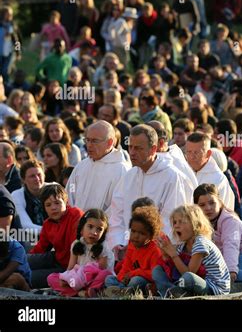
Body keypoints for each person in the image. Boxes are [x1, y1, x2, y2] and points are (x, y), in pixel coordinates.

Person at [107, 125, 193, 256]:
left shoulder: (171, 177)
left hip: (157, 253)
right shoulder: (129, 176)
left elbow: (172, 222)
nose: (132, 153)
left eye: (138, 148)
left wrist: (143, 247)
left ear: (153, 149)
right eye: (130, 147)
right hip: (126, 250)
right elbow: (116, 214)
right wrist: (119, 243)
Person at [152, 205, 230, 297]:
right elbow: (174, 269)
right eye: (175, 222)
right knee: (157, 270)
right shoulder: (182, 246)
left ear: (195, 224)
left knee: (188, 277)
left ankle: (175, 292)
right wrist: (165, 253)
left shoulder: (200, 243)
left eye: (181, 222)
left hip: (213, 288)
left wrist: (173, 254)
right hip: (191, 283)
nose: (176, 225)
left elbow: (189, 272)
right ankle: (169, 293)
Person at [66, 121, 131, 212]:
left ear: (109, 142)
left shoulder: (121, 170)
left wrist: (94, 223)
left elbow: (118, 206)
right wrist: (73, 214)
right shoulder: (82, 165)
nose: (89, 145)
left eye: (94, 141)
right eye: (87, 140)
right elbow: (71, 187)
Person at [27, 184, 84, 288]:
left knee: (29, 277)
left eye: (57, 203)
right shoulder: (47, 224)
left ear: (66, 202)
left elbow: (76, 248)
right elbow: (40, 248)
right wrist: (30, 257)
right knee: (21, 261)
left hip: (71, 266)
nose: (53, 208)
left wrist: (68, 273)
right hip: (56, 258)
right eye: (48, 205)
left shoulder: (75, 215)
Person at [47, 209, 114, 297]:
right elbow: (70, 268)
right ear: (82, 228)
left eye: (99, 229)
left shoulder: (103, 247)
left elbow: (102, 269)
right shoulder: (76, 244)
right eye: (90, 226)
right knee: (52, 278)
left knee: (105, 274)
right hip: (77, 279)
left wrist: (86, 276)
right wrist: (66, 278)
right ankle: (80, 293)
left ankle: (87, 291)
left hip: (93, 280)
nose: (94, 232)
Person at [104, 206, 169, 295]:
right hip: (130, 279)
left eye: (141, 233)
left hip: (146, 281)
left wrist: (134, 273)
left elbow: (155, 275)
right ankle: (123, 290)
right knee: (109, 279)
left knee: (136, 281)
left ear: (151, 235)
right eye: (133, 231)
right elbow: (125, 267)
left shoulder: (155, 249)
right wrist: (122, 279)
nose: (135, 236)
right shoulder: (132, 245)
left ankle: (121, 291)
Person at [185, 132, 235, 210]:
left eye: (196, 152)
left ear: (208, 154)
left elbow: (225, 211)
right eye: (189, 152)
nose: (191, 157)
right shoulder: (181, 172)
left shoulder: (218, 179)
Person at [12, 160, 49, 238]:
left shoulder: (55, 188)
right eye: (32, 176)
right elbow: (26, 225)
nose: (37, 178)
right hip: (30, 238)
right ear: (23, 180)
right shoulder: (17, 195)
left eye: (39, 174)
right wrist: (52, 232)